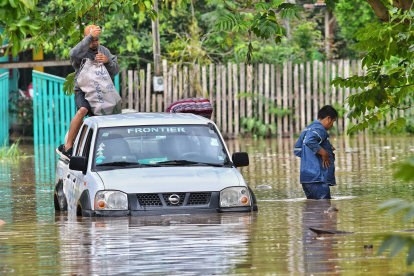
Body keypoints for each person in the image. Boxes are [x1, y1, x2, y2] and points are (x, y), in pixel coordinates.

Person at [56, 25, 120, 160]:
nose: (95, 42)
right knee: (83, 109)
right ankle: (67, 147)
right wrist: (90, 36)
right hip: (83, 91)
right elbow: (72, 55)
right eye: (92, 39)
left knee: (109, 116)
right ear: (86, 38)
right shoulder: (80, 51)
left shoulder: (104, 51)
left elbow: (115, 71)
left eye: (97, 39)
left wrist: (107, 62)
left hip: (101, 93)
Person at [294, 105, 338, 199]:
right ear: (328, 118)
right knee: (324, 208)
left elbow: (297, 150)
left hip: (306, 179)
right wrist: (324, 153)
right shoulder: (319, 128)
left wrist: (327, 148)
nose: (332, 125)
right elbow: (310, 141)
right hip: (318, 179)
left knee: (312, 210)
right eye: (333, 121)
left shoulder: (307, 129)